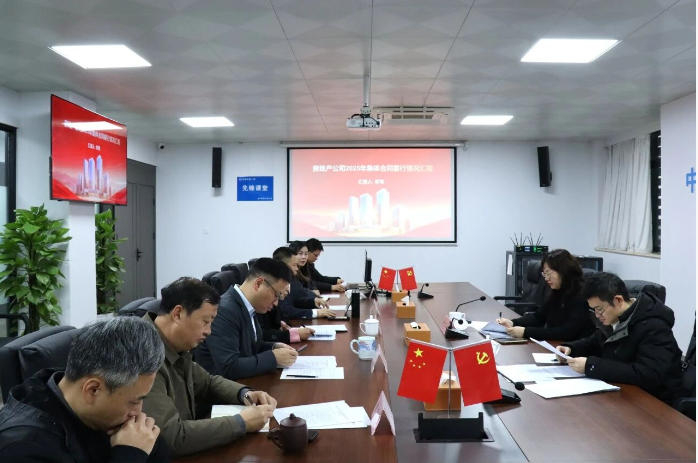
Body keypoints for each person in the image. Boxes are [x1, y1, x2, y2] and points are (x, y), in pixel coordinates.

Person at [0, 317, 169, 462]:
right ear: (93, 390)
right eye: (134, 401)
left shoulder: (98, 414)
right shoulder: (23, 448)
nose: (137, 412)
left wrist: (145, 443)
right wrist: (129, 455)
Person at [143, 277, 277, 457]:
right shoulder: (144, 355)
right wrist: (241, 422)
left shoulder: (174, 343)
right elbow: (171, 437)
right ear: (178, 314)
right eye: (205, 322)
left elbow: (208, 382)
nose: (209, 331)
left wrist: (245, 394)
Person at [556, 272, 684, 403]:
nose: (597, 315)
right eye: (593, 310)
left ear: (618, 300)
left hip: (655, 401)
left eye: (599, 309)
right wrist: (571, 348)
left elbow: (648, 374)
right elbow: (595, 342)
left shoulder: (653, 326)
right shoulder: (616, 318)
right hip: (625, 392)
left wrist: (591, 366)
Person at [194, 259, 300, 380]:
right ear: (258, 283)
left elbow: (251, 347)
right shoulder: (224, 310)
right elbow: (228, 367)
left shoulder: (248, 306)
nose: (276, 303)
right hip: (220, 387)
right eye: (276, 295)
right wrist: (273, 358)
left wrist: (274, 347)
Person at [496, 249, 594, 340]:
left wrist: (526, 332)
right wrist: (513, 322)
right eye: (544, 274)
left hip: (571, 348)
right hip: (556, 344)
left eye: (548, 273)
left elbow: (566, 332)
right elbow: (538, 317)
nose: (546, 278)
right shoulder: (558, 291)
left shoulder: (581, 295)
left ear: (563, 271)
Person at [273, 246, 336, 320]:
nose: (297, 268)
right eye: (294, 265)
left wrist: (313, 301)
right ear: (283, 266)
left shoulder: (291, 279)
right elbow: (286, 311)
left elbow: (295, 301)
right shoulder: (278, 284)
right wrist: (315, 313)